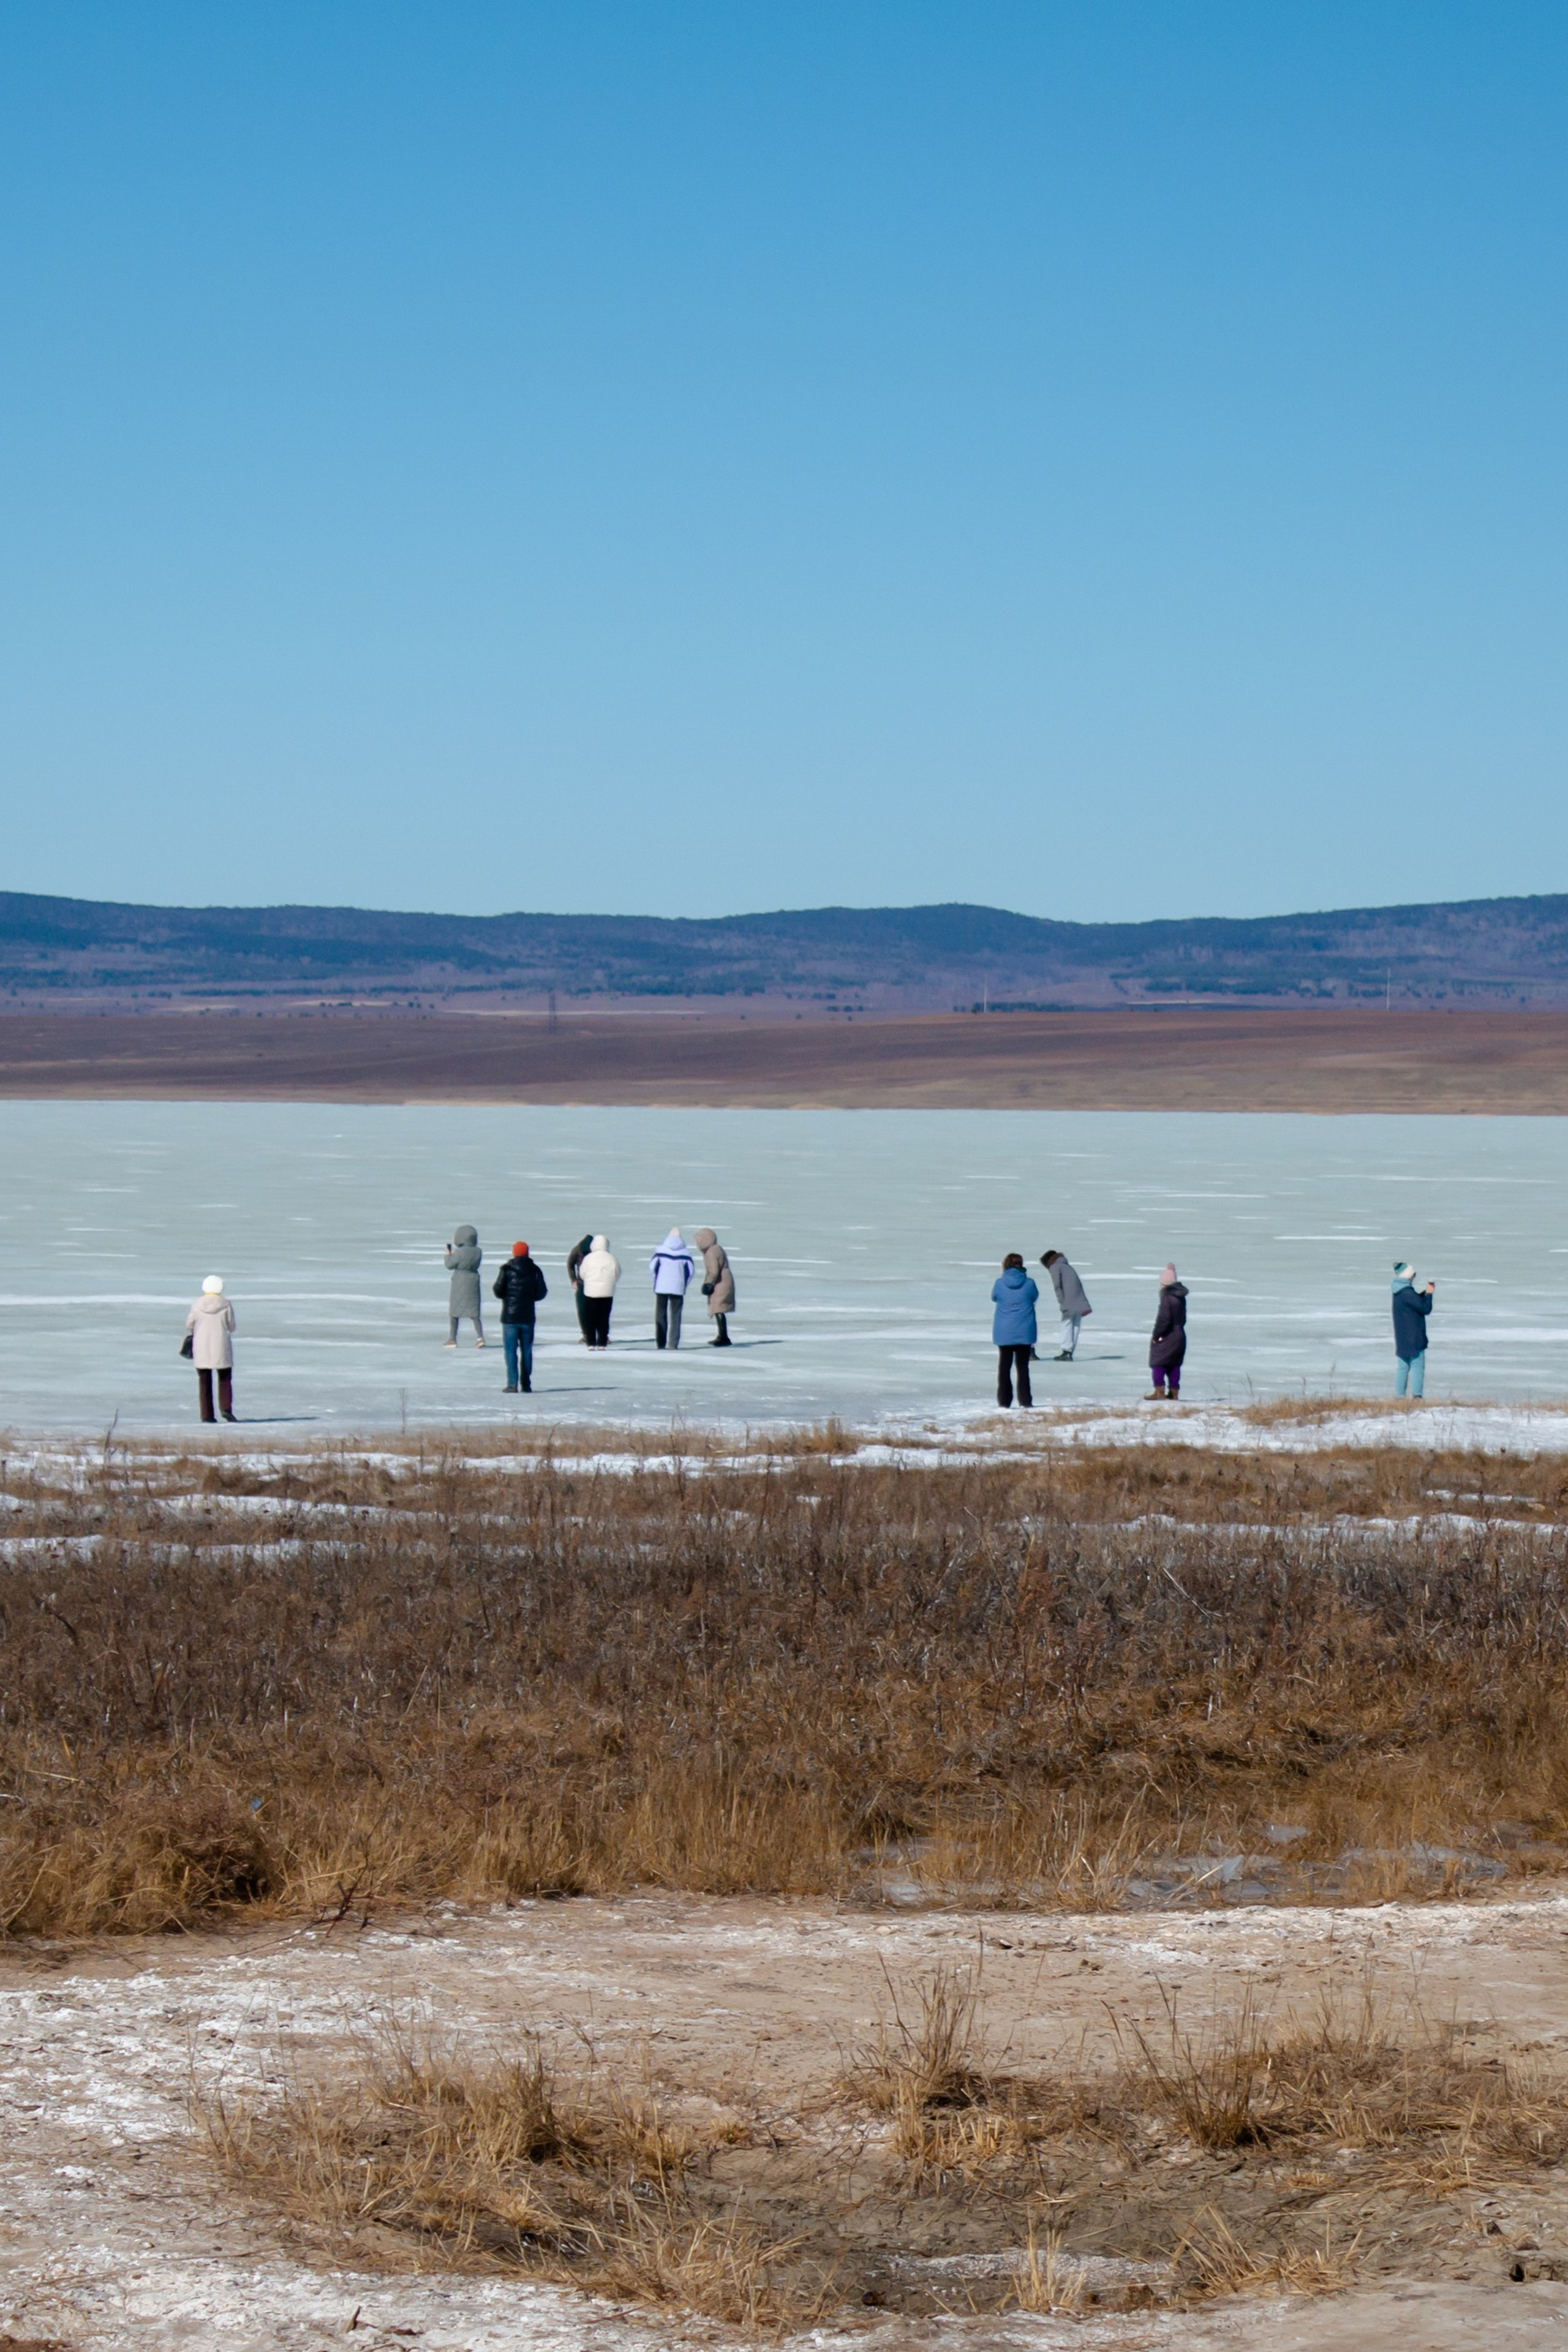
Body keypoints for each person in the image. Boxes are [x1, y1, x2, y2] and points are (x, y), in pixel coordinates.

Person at [492, 1241, 548, 1393]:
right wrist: (530, 1299)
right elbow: (542, 1292)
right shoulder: (535, 1270)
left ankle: (512, 1384)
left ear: (514, 1253)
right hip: (528, 1316)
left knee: (511, 1351)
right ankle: (526, 1384)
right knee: (527, 1351)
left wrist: (508, 1297)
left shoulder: (506, 1270)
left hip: (510, 1318)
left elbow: (498, 1290)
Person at [185, 1275, 237, 1423]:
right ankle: (226, 1408)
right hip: (221, 1345)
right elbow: (232, 1326)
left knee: (204, 1381)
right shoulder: (226, 1304)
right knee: (225, 1378)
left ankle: (207, 1415)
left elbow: (189, 1324)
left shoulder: (197, 1304)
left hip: (202, 1346)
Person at [992, 1252, 1038, 1408]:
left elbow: (994, 1297)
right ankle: (1025, 1400)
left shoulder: (1000, 1283)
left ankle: (1004, 1401)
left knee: (1004, 1367)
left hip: (1004, 1331)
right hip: (1025, 1330)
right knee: (1023, 1368)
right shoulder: (1030, 1283)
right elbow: (1034, 1297)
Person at [1392, 1259, 1434, 1398]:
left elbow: (1414, 1303)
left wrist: (1424, 1294)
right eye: (1413, 1274)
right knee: (1417, 1365)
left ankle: (1399, 1398)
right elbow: (1425, 1309)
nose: (1414, 1277)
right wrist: (1429, 1294)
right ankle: (1417, 1396)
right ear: (1408, 1276)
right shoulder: (1407, 1294)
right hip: (1414, 1338)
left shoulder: (1398, 1292)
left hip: (1402, 1337)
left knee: (1403, 1366)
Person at [1041, 1250, 1092, 1360]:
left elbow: (1057, 1286)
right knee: (1075, 1324)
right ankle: (1070, 1352)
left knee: (1066, 1324)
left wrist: (1061, 1301)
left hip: (1069, 1299)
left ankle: (1066, 1351)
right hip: (1079, 1299)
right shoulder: (1066, 1266)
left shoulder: (1055, 1267)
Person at [1145, 1264, 1188, 1401]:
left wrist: (1156, 1335)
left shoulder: (1167, 1297)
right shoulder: (1181, 1297)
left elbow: (1164, 1319)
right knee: (1175, 1364)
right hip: (1180, 1335)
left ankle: (1159, 1391)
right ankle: (1174, 1392)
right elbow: (1184, 1319)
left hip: (1168, 1335)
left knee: (1158, 1362)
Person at [650, 1229, 697, 1350]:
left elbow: (653, 1268)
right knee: (676, 1316)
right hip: (678, 1288)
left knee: (660, 1314)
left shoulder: (660, 1252)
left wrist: (657, 1281)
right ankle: (673, 1343)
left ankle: (661, 1343)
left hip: (661, 1287)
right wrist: (684, 1285)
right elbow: (691, 1272)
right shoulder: (686, 1254)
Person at [444, 1224, 484, 1348]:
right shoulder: (478, 1252)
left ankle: (452, 1339)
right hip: (473, 1280)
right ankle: (480, 1337)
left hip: (459, 1281)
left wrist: (448, 1254)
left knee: (454, 1313)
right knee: (474, 1313)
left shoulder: (460, 1252)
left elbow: (449, 1265)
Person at [694, 1227, 735, 1347]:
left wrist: (709, 1284)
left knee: (718, 1308)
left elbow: (713, 1271)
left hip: (720, 1282)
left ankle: (724, 1337)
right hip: (724, 1280)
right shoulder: (717, 1249)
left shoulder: (711, 1253)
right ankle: (722, 1336)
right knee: (719, 1308)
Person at [578, 1235, 620, 1347]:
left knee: (590, 1318)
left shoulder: (589, 1258)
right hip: (607, 1293)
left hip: (590, 1293)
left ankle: (591, 1343)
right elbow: (617, 1273)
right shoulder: (612, 1258)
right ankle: (602, 1343)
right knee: (604, 1318)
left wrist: (588, 1281)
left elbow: (582, 1274)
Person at [567, 1232, 595, 1344]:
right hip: (582, 1283)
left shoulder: (598, 1252)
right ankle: (586, 1335)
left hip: (596, 1284)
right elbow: (570, 1264)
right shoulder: (577, 1250)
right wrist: (573, 1279)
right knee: (583, 1310)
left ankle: (601, 1335)